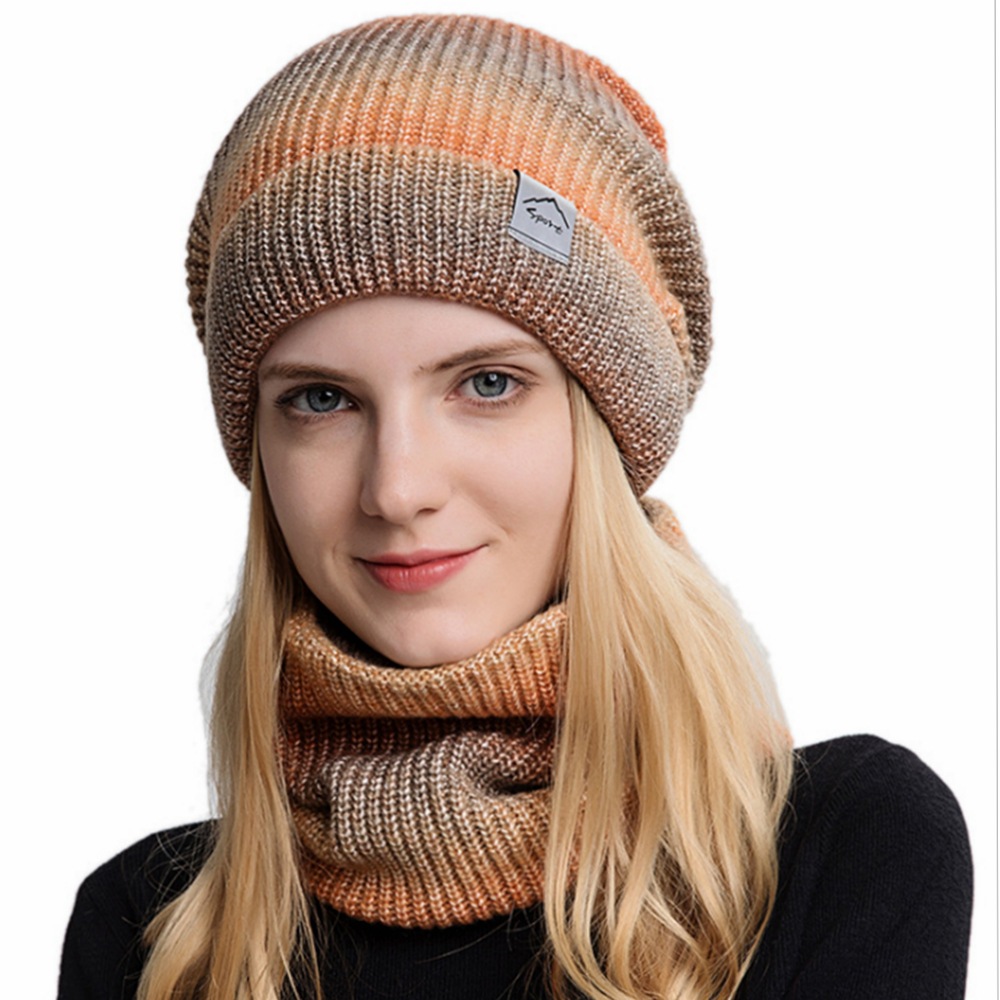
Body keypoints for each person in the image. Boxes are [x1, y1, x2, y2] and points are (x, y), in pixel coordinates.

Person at [57, 14, 972, 1000]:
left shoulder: (836, 852)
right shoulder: (150, 930)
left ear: (605, 425)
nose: (397, 488)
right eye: (320, 400)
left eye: (486, 384)